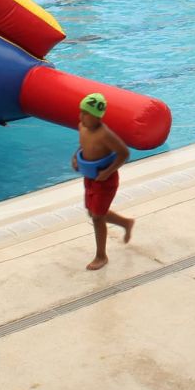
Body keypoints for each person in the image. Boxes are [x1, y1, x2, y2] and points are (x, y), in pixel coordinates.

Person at [71, 92, 135, 271]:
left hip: (105, 180)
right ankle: (126, 223)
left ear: (98, 116)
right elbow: (82, 146)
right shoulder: (82, 127)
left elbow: (124, 153)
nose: (82, 117)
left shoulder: (105, 134)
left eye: (87, 114)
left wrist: (108, 172)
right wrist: (75, 158)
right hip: (90, 176)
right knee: (93, 213)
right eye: (81, 112)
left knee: (97, 216)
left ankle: (101, 256)